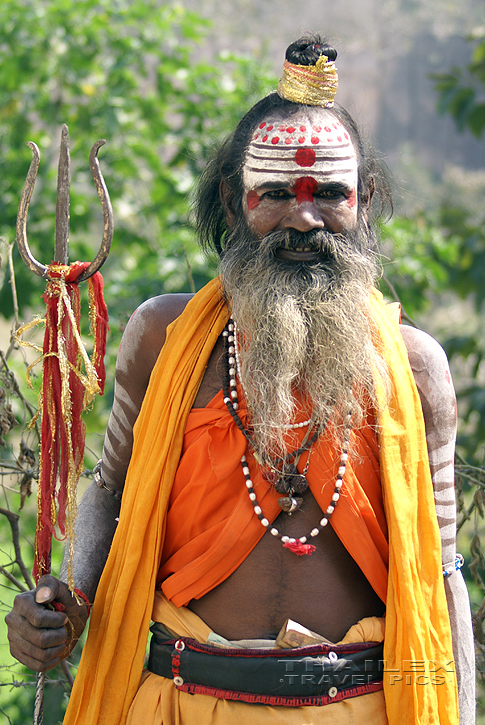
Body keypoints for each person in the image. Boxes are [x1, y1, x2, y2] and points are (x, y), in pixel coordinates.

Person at [6, 35, 476, 724]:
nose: (304, 219)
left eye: (329, 195)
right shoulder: (163, 340)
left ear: (365, 198)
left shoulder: (413, 367)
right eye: (277, 192)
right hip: (179, 704)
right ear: (233, 198)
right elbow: (108, 491)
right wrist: (66, 607)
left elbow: (438, 574)